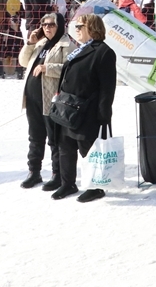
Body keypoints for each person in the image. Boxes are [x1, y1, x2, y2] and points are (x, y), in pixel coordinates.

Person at [52, 14, 117, 202]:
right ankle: (67, 183)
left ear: (93, 28)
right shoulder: (80, 49)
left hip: (87, 110)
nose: (77, 29)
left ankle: (96, 187)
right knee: (65, 147)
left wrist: (104, 113)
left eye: (81, 26)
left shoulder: (104, 52)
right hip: (67, 107)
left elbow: (107, 86)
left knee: (88, 150)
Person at [18, 12, 74, 190]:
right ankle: (34, 172)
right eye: (44, 25)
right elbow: (23, 61)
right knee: (35, 136)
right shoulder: (41, 43)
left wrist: (47, 67)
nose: (47, 28)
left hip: (51, 99)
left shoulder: (67, 45)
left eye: (51, 25)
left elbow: (70, 69)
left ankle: (57, 174)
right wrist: (30, 43)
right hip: (33, 98)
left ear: (60, 26)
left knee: (54, 139)